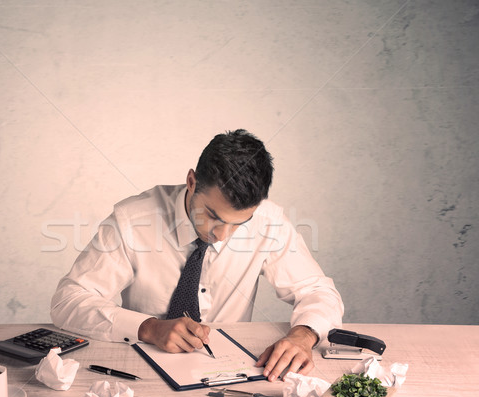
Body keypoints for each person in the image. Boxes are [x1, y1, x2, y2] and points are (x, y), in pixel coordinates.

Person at [51, 129, 343, 381]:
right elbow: (68, 301)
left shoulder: (269, 221)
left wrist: (303, 336)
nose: (222, 235)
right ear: (191, 181)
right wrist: (148, 328)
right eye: (213, 216)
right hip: (141, 370)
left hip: (232, 373)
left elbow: (319, 291)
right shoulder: (131, 219)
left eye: (238, 223)